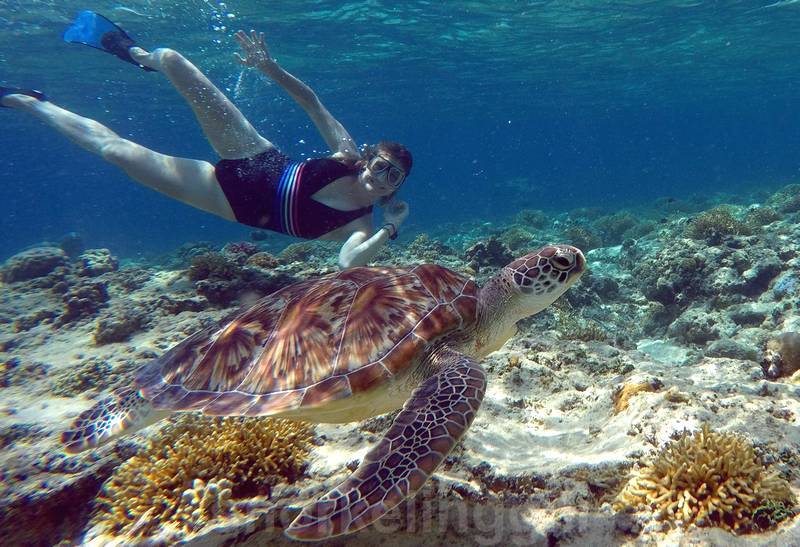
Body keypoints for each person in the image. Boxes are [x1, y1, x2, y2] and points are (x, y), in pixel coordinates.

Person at [1, 11, 412, 268]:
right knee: (171, 59)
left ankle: (30, 103)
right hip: (254, 154)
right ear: (368, 160)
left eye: (394, 177)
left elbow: (348, 262)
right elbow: (313, 103)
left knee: (116, 151)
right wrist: (270, 69)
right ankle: (137, 55)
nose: (383, 177)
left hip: (223, 197)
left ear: (396, 187)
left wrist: (390, 230)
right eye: (382, 166)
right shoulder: (345, 152)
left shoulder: (359, 225)